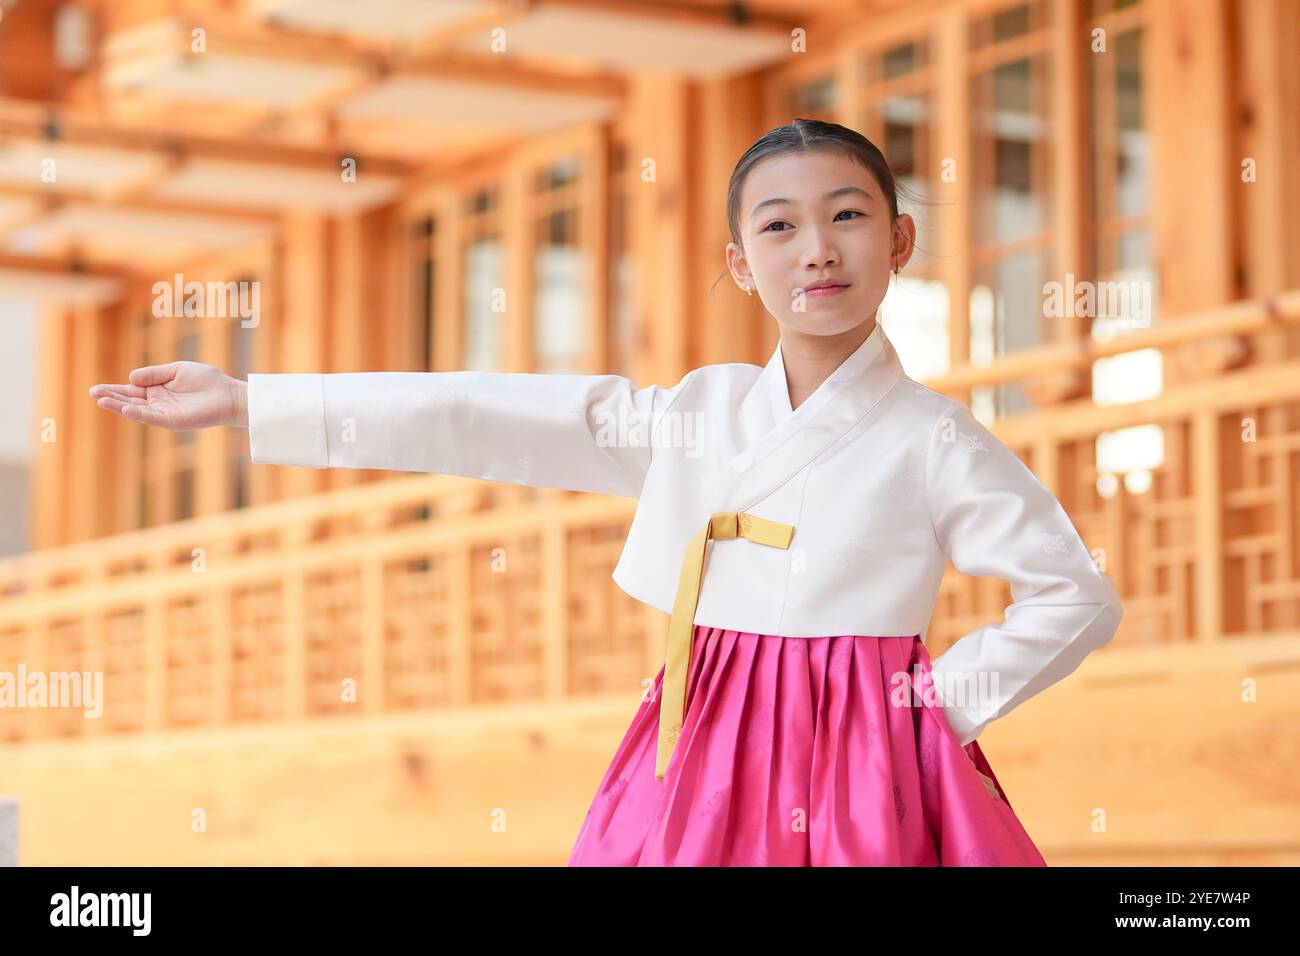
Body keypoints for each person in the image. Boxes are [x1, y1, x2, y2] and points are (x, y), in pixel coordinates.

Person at [90, 118, 1123, 866]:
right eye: (779, 227)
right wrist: (251, 401)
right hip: (698, 736)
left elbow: (1073, 592)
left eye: (848, 215)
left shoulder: (932, 437)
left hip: (860, 759)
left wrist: (927, 705)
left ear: (896, 242)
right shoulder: (694, 414)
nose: (817, 247)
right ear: (740, 261)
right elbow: (479, 413)